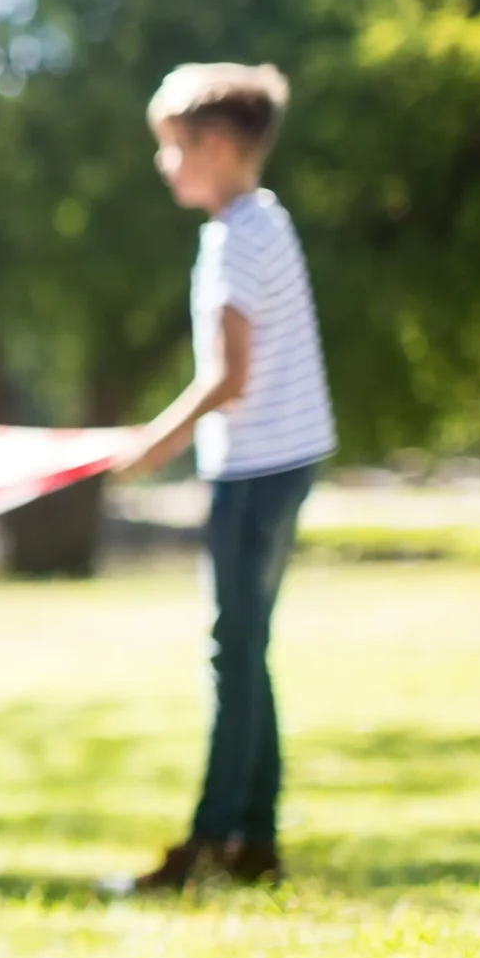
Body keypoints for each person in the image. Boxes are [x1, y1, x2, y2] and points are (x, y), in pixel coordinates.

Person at [113, 63, 333, 893]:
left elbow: (228, 377)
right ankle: (253, 841)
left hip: (256, 471)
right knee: (247, 649)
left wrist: (153, 443)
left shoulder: (238, 239)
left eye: (171, 150)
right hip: (283, 461)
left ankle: (212, 840)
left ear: (213, 145)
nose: (166, 166)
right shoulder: (263, 221)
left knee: (231, 651)